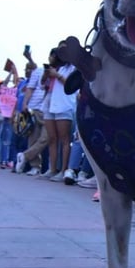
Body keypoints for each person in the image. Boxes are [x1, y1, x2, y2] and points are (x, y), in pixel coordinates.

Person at [40, 46, 77, 182]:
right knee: (52, 138)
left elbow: (71, 85)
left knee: (65, 139)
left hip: (64, 104)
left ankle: (63, 171)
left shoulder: (73, 68)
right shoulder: (55, 68)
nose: (53, 57)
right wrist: (47, 74)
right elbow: (42, 85)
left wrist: (57, 75)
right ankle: (52, 169)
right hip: (50, 104)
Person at [20, 61, 49, 176]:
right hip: (34, 107)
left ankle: (24, 156)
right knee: (33, 138)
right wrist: (25, 104)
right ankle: (35, 167)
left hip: (49, 108)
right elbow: (30, 88)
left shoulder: (59, 71)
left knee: (46, 138)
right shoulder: (38, 71)